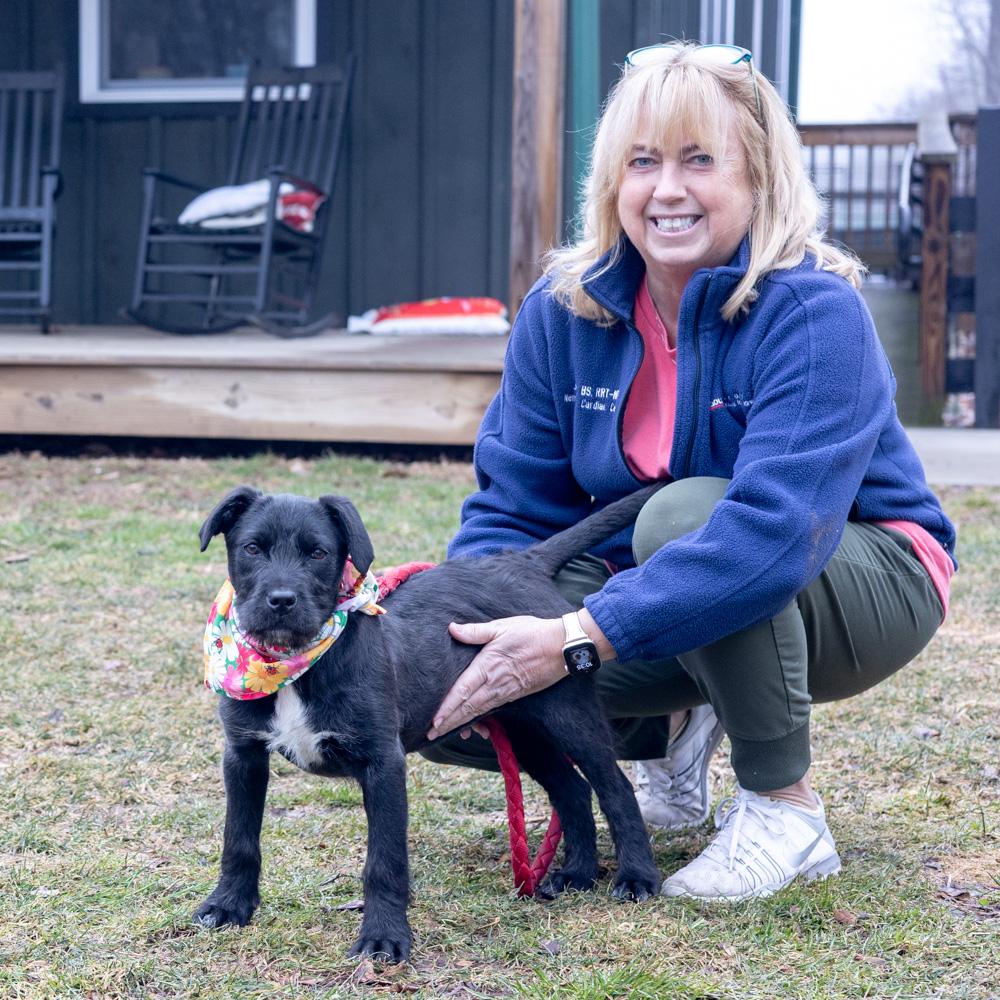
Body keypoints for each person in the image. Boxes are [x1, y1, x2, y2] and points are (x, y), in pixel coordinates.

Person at [421, 41, 957, 901]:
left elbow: (770, 535)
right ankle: (676, 729)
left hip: (863, 574)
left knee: (686, 518)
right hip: (671, 574)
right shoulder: (561, 314)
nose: (666, 189)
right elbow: (515, 516)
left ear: (759, 178)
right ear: (613, 181)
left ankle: (784, 810)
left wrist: (574, 638)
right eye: (643, 162)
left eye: (699, 160)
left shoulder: (814, 311)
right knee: (449, 682)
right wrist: (467, 630)